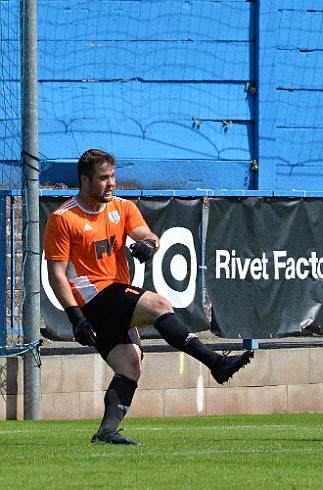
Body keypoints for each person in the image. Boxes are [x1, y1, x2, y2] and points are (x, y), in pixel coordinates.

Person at [43, 148, 254, 445]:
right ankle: (215, 364)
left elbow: (147, 234)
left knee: (131, 364)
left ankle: (106, 432)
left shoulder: (122, 207)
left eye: (113, 176)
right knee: (159, 304)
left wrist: (149, 246)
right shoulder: (63, 218)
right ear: (84, 180)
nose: (111, 183)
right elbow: (57, 274)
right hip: (94, 297)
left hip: (113, 296)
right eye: (103, 178)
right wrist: (75, 317)